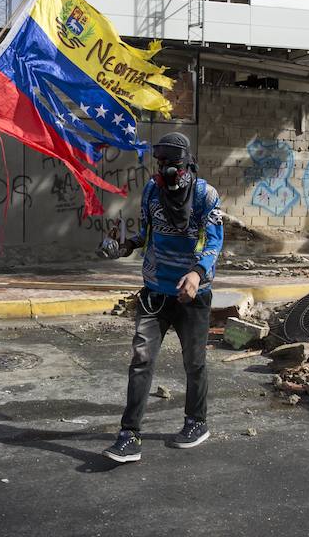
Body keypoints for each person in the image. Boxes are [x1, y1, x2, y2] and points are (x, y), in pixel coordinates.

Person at [100, 132, 224, 462]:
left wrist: (197, 274)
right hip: (155, 291)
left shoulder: (205, 196)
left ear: (186, 165)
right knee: (141, 360)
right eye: (161, 164)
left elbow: (214, 244)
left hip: (192, 297)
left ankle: (196, 422)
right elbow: (146, 234)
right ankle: (129, 435)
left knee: (194, 362)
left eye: (172, 165)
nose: (165, 171)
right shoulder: (153, 192)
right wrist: (124, 247)